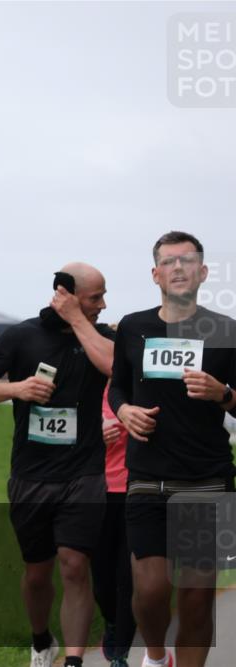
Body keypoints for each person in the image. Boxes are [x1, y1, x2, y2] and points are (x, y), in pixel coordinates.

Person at [0, 263, 115, 667]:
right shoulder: (21, 336)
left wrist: (78, 320)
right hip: (32, 475)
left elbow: (115, 368)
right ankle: (40, 639)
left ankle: (74, 660)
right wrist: (18, 388)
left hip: (84, 473)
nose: (103, 304)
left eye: (103, 296)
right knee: (37, 572)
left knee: (75, 563)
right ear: (66, 293)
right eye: (95, 297)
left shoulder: (102, 337)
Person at [107, 231, 236, 667]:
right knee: (151, 591)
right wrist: (123, 410)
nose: (178, 267)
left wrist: (225, 394)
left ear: (202, 272)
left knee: (197, 600)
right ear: (155, 273)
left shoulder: (225, 331)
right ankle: (157, 655)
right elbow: (117, 385)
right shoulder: (133, 327)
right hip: (147, 478)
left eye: (187, 260)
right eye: (169, 261)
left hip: (206, 480)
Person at [94, 375, 137, 667]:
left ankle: (121, 652)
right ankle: (110, 622)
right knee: (101, 579)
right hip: (96, 491)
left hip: (137, 490)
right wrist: (94, 432)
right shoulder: (91, 387)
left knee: (128, 577)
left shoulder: (141, 386)